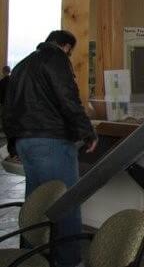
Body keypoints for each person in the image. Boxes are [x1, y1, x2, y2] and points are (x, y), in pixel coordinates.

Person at [2, 30, 97, 267]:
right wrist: (86, 131)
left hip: (26, 143)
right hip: (52, 141)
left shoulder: (23, 65)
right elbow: (68, 98)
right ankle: (69, 260)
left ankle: (30, 258)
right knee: (66, 203)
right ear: (66, 46)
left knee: (35, 204)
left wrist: (14, 142)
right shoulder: (56, 59)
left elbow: (9, 107)